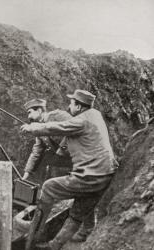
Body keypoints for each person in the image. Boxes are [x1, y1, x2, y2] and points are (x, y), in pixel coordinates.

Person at [21, 89, 118, 250]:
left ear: (79, 107)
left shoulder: (77, 120)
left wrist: (34, 128)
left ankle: (32, 236)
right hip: (104, 173)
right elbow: (38, 150)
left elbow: (60, 127)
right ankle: (55, 245)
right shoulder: (95, 114)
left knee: (49, 187)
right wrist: (27, 172)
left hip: (90, 174)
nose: (68, 107)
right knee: (77, 214)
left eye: (71, 103)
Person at [22, 98, 72, 182]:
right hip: (65, 164)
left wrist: (60, 151)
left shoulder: (57, 115)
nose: (28, 117)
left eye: (30, 112)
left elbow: (75, 129)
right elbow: (36, 152)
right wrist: (26, 174)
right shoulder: (40, 129)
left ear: (39, 110)